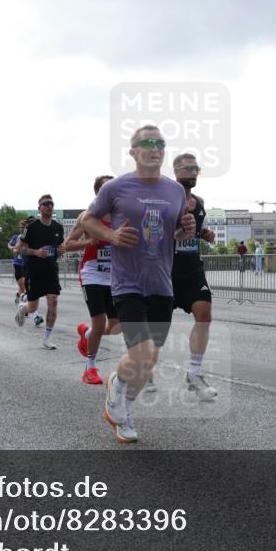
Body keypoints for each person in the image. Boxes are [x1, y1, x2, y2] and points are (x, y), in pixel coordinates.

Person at [80, 124, 195, 443]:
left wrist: (184, 230)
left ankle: (122, 404)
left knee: (149, 360)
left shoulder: (175, 191)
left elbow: (170, 234)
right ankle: (118, 390)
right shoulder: (116, 188)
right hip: (127, 283)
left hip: (162, 284)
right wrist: (111, 235)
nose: (154, 148)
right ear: (132, 152)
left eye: (159, 143)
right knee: (141, 351)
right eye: (146, 143)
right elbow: (86, 220)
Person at [65, 175, 121, 385]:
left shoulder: (121, 215)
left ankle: (86, 333)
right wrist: (89, 241)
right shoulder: (87, 216)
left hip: (114, 277)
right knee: (99, 322)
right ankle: (90, 368)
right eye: (107, 188)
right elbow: (67, 244)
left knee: (116, 327)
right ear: (99, 193)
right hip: (92, 274)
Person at [171, 153, 218, 400]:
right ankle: (139, 366)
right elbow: (155, 234)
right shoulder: (165, 199)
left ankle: (194, 372)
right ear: (176, 170)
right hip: (165, 270)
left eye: (195, 168)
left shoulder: (199, 202)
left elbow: (197, 230)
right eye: (188, 168)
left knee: (204, 315)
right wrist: (177, 231)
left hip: (192, 268)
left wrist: (205, 234)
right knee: (155, 327)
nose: (192, 172)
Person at [15, 195, 65, 350]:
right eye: (45, 204)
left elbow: (60, 248)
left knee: (53, 300)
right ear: (40, 208)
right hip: (34, 270)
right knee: (33, 306)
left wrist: (61, 250)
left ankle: (47, 338)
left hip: (51, 270)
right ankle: (23, 309)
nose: (49, 206)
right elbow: (19, 247)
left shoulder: (58, 227)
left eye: (51, 204)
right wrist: (35, 252)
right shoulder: (32, 227)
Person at [8, 218, 32, 304]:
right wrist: (13, 249)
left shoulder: (30, 238)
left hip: (26, 263)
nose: (22, 229)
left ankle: (19, 296)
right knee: (23, 285)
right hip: (17, 264)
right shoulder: (16, 237)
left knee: (23, 287)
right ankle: (24, 305)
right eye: (20, 227)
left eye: (23, 227)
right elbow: (10, 245)